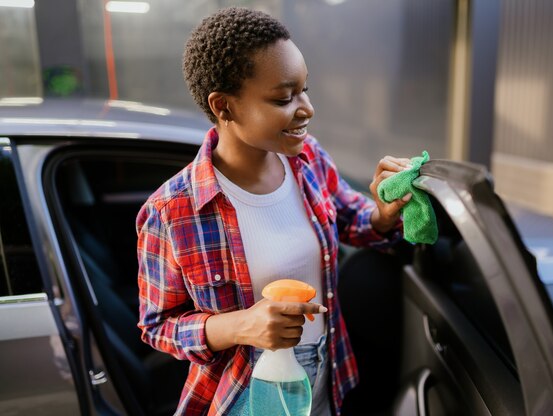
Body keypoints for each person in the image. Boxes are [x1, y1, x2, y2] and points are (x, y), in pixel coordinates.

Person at [136, 7, 412, 416]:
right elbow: (158, 327)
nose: (307, 108)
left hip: (327, 370)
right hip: (247, 392)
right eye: (284, 98)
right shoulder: (171, 211)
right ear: (224, 107)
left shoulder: (308, 159)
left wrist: (384, 215)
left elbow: (351, 219)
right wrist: (242, 325)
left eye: (304, 89)